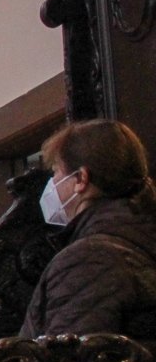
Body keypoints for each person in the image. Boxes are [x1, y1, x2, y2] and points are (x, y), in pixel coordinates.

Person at [19, 119, 156, 341]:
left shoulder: (89, 260)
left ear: (81, 179)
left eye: (56, 172)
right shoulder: (138, 232)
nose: (52, 184)